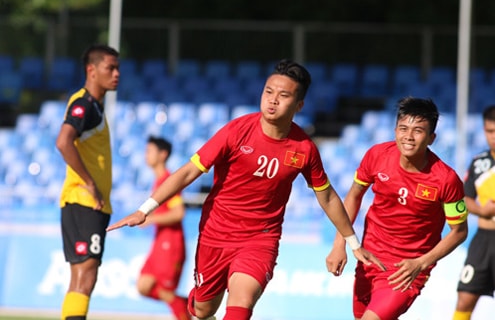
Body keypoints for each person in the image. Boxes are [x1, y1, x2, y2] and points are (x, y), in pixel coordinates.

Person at [107, 59, 385, 320]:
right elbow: (189, 171)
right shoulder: (236, 131)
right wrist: (145, 209)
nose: (273, 99)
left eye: (283, 95)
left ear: (299, 104)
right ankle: (197, 301)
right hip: (216, 233)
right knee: (203, 310)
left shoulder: (304, 149)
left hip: (260, 239)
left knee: (241, 306)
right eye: (269, 91)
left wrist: (352, 242)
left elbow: (326, 196)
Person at [326, 97, 468, 320]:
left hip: (406, 270)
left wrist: (420, 264)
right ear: (395, 130)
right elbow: (354, 196)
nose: (408, 137)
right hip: (369, 259)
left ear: (432, 138)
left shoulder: (446, 180)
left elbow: (459, 232)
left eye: (418, 131)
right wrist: (339, 244)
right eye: (403, 128)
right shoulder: (377, 155)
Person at [56, 44, 119, 320]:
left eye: (118, 68)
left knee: (82, 274)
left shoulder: (94, 106)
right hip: (83, 201)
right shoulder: (84, 104)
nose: (116, 74)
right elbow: (63, 141)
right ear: (91, 70)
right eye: (110, 68)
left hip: (87, 204)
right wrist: (90, 184)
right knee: (86, 272)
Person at [137, 136, 190, 320]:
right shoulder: (158, 181)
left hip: (171, 245)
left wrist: (151, 219)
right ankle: (185, 305)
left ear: (163, 154)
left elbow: (179, 213)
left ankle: (184, 308)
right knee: (143, 286)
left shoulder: (169, 181)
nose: (146, 155)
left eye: (149, 151)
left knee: (166, 293)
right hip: (160, 243)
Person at [452, 105, 495, 320]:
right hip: (483, 241)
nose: (493, 137)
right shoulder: (479, 163)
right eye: (489, 131)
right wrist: (482, 210)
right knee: (465, 298)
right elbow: (465, 198)